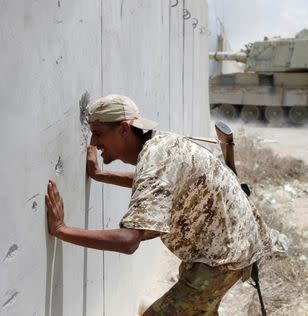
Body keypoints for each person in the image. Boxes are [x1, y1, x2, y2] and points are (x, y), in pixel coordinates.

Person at [45, 94, 274, 315]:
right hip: (232, 245)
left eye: (98, 133)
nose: (93, 142)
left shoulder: (155, 163)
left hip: (223, 259)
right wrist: (100, 175)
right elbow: (155, 184)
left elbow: (128, 241)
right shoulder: (158, 144)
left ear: (124, 129)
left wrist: (61, 229)